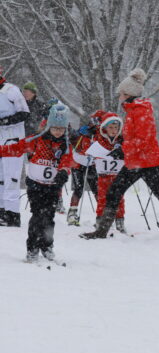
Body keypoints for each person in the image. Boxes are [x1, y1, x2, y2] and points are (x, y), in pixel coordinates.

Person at [80, 69, 159, 240]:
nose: (119, 98)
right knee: (114, 192)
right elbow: (134, 138)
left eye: (121, 94)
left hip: (149, 163)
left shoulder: (141, 111)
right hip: (135, 162)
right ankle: (102, 231)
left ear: (128, 94)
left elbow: (143, 140)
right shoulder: (133, 110)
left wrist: (122, 149)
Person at [0, 104, 72, 262]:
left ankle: (47, 246)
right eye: (55, 128)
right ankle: (32, 248)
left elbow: (67, 162)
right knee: (38, 216)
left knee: (49, 217)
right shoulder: (37, 140)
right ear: (49, 126)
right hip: (35, 185)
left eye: (61, 129)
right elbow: (17, 148)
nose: (58, 132)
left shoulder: (65, 145)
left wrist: (63, 172)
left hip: (53, 187)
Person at [85, 112, 126, 233]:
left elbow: (129, 151)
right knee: (102, 198)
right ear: (105, 128)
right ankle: (100, 220)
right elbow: (91, 149)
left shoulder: (122, 140)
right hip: (103, 175)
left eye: (116, 128)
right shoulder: (99, 139)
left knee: (119, 199)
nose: (114, 130)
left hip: (119, 176)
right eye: (111, 127)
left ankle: (120, 221)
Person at [0, 64, 30, 227]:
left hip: (12, 139)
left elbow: (24, 113)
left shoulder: (11, 90)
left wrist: (4, 121)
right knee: (0, 177)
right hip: (0, 139)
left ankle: (12, 214)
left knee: (11, 176)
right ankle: (2, 210)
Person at [66, 111, 100, 226]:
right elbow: (71, 138)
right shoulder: (82, 131)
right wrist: (71, 132)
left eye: (96, 123)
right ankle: (72, 213)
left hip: (92, 164)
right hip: (78, 163)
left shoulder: (100, 134)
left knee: (96, 189)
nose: (93, 125)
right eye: (92, 122)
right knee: (78, 188)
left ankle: (102, 214)